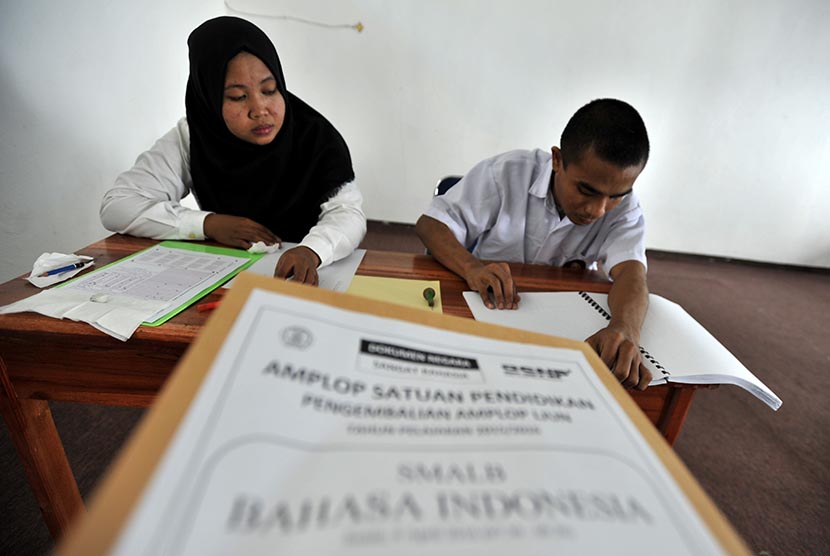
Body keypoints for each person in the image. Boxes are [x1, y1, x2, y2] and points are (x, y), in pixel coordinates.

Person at [101, 16, 366, 285]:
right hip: (228, 276)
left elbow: (348, 213)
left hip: (313, 277)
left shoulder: (316, 135)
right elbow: (118, 206)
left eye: (270, 90)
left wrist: (313, 250)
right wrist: (208, 225)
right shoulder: (197, 135)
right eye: (238, 97)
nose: (260, 109)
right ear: (209, 99)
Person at [416, 98, 652, 389]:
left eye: (615, 195)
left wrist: (624, 329)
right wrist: (472, 267)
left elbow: (632, 273)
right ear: (557, 160)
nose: (598, 210)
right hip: (487, 310)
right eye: (586, 190)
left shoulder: (627, 207)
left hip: (559, 322)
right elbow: (432, 224)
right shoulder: (506, 173)